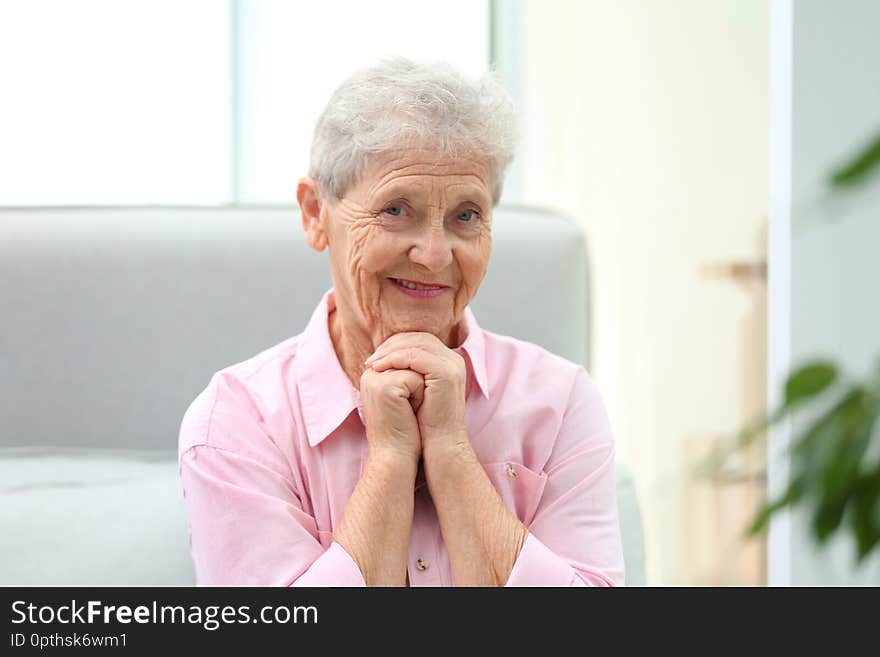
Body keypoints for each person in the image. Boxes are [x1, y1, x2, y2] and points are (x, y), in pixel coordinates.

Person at [178, 57, 624, 586]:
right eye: (396, 209)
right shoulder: (235, 422)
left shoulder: (560, 400)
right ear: (315, 214)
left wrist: (452, 454)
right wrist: (390, 460)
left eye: (466, 215)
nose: (435, 254)